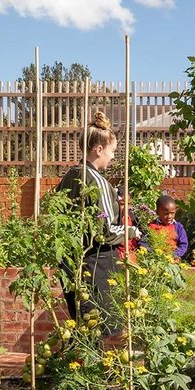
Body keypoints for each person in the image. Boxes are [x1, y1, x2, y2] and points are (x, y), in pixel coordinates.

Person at [56, 111, 140, 339]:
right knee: (101, 327)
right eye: (112, 151)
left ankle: (82, 371)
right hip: (97, 263)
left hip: (72, 263)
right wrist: (133, 231)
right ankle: (97, 373)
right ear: (99, 149)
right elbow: (105, 231)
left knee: (83, 328)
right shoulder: (97, 182)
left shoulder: (69, 176)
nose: (113, 157)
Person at [147, 194, 189, 260]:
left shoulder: (178, 227)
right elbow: (145, 243)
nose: (169, 216)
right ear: (157, 212)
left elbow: (183, 244)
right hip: (156, 259)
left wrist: (175, 254)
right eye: (166, 213)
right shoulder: (151, 227)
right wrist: (153, 253)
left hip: (173, 259)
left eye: (172, 213)